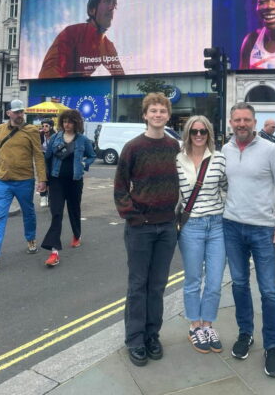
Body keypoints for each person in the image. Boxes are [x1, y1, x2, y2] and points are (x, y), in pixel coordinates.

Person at [222, 102, 275, 378]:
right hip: (231, 227)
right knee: (239, 284)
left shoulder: (271, 150)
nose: (241, 124)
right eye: (237, 120)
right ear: (231, 122)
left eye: (246, 120)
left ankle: (272, 346)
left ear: (255, 122)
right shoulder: (225, 151)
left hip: (263, 229)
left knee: (269, 291)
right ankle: (245, 333)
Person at [114, 93, 180, 367]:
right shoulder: (133, 147)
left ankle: (153, 335)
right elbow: (120, 188)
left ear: (168, 115)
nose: (157, 115)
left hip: (167, 227)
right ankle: (135, 340)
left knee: (157, 286)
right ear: (145, 115)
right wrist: (133, 217)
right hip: (140, 228)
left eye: (162, 111)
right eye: (153, 110)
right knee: (138, 286)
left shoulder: (175, 146)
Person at [176, 115, 227, 354]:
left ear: (209, 134)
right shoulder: (177, 160)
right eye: (194, 131)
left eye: (203, 131)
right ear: (188, 133)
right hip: (191, 227)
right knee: (193, 280)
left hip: (217, 225)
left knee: (215, 281)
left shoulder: (219, 159)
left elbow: (228, 188)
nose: (198, 135)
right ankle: (195, 326)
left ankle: (208, 324)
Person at [0, 100, 47, 271]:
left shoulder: (31, 130)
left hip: (24, 180)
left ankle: (31, 238)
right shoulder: (0, 129)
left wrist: (42, 180)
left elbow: (38, 156)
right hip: (2, 181)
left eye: (21, 112)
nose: (19, 115)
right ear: (8, 113)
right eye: (16, 112)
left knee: (28, 212)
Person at [41, 109, 96, 267]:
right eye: (65, 121)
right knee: (56, 213)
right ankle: (54, 252)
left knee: (74, 209)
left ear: (76, 123)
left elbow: (92, 155)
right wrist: (45, 179)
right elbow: (47, 158)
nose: (67, 124)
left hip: (74, 181)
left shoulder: (82, 140)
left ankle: (76, 235)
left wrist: (85, 164)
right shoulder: (55, 138)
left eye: (70, 122)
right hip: (56, 180)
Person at [38, 0, 124, 79]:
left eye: (114, 5)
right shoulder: (71, 32)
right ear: (92, 10)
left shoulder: (107, 46)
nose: (111, 8)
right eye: (107, 1)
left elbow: (121, 78)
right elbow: (49, 70)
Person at [39, 118, 56, 207]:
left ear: (51, 127)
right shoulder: (40, 135)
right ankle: (43, 196)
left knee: (52, 177)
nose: (44, 128)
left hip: (53, 158)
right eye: (43, 126)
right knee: (43, 175)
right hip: (43, 157)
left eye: (46, 126)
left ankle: (50, 197)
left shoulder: (55, 136)